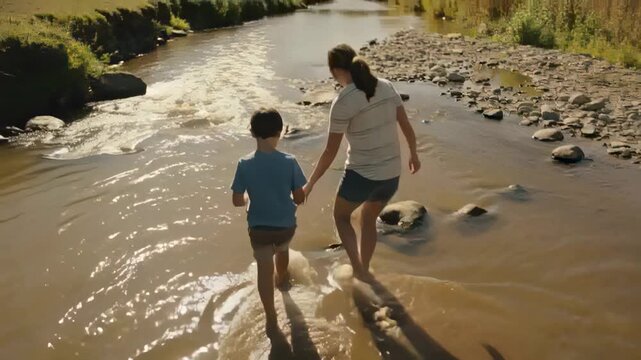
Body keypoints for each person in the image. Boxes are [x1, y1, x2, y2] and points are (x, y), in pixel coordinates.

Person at [304, 44, 421, 281]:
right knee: (368, 219)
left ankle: (357, 267)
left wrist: (311, 183)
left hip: (362, 176)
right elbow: (406, 126)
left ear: (336, 71)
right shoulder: (386, 86)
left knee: (341, 217)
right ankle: (365, 269)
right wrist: (414, 154)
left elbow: (330, 151)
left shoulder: (343, 102)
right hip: (391, 175)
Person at [231, 108, 307, 336]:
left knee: (264, 270)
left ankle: (271, 317)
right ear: (281, 132)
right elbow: (299, 197)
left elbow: (237, 200)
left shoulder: (244, 164)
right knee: (282, 251)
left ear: (252, 132)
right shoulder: (290, 161)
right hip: (284, 226)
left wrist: (247, 199)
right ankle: (282, 280)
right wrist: (297, 195)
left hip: (259, 228)